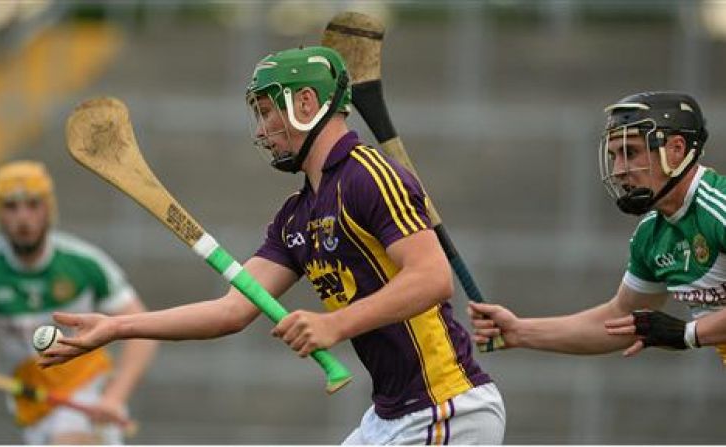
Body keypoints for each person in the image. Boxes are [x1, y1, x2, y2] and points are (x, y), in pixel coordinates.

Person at [38, 46, 506, 445]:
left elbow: (431, 278)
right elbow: (230, 311)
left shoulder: (369, 176)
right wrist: (118, 328)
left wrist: (335, 324)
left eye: (267, 111)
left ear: (306, 101)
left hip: (446, 407)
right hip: (392, 416)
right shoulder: (296, 217)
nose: (261, 130)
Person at [469, 91, 726, 362]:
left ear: (676, 149)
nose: (619, 169)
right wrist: (519, 331)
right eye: (614, 155)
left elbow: (682, 333)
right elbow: (620, 320)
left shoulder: (718, 208)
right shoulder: (652, 235)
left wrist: (688, 333)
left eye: (631, 152)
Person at [0, 160, 157, 444]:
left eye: (33, 204)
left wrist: (114, 396)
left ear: (48, 208)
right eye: (11, 206)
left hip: (88, 391)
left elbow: (143, 336)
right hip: (32, 400)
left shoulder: (83, 263)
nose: (23, 218)